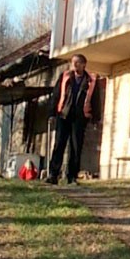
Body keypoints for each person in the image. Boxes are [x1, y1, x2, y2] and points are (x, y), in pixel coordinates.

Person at [46, 54, 99, 185]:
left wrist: (96, 118)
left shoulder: (91, 80)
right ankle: (53, 175)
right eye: (73, 62)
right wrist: (52, 114)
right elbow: (56, 95)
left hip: (79, 118)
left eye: (77, 62)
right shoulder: (65, 76)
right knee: (59, 145)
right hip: (63, 115)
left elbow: (96, 100)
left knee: (76, 148)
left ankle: (72, 177)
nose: (74, 65)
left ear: (84, 64)